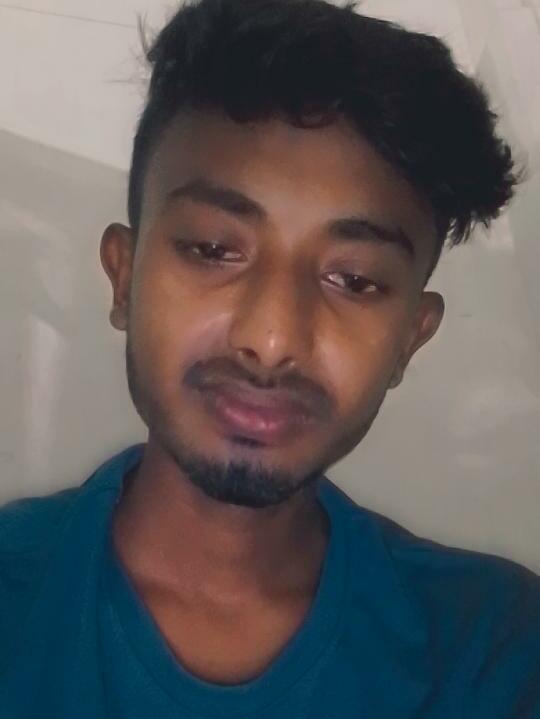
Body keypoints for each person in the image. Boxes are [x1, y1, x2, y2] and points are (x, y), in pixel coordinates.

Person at [1, 0, 539, 716]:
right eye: (213, 249)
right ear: (124, 278)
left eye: (355, 280)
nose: (273, 338)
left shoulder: (498, 651)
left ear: (410, 338)